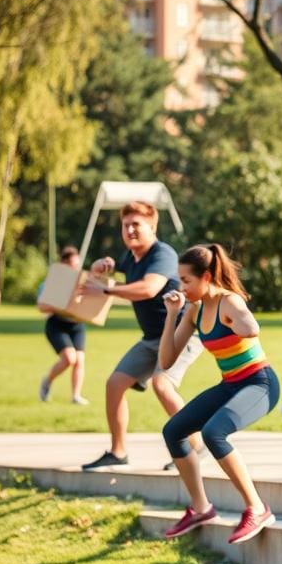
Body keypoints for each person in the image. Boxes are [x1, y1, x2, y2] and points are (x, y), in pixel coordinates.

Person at [159, 244, 281, 544]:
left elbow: (250, 326)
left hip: (260, 383)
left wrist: (242, 324)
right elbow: (166, 360)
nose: (181, 287)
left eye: (186, 280)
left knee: (214, 433)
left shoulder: (230, 302)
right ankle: (201, 508)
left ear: (207, 276)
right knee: (174, 430)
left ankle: (257, 507)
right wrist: (172, 314)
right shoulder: (195, 308)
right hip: (231, 384)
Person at [80, 201, 203, 470]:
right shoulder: (131, 256)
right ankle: (118, 451)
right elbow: (116, 267)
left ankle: (195, 446)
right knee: (114, 384)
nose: (130, 230)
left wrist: (108, 290)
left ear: (152, 227)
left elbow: (149, 288)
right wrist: (105, 265)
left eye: (137, 224)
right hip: (151, 338)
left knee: (162, 384)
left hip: (181, 333)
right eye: (126, 225)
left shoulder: (163, 254)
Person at [37, 246, 89, 405]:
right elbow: (42, 307)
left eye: (78, 265)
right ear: (64, 264)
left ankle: (76, 396)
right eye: (73, 265)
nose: (76, 268)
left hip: (77, 326)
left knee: (79, 360)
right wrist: (61, 305)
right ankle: (47, 381)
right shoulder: (52, 282)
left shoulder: (83, 283)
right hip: (57, 324)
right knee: (69, 358)